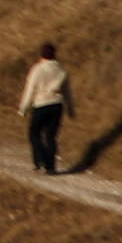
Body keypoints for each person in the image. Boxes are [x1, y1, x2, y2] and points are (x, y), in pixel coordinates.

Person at [20, 42, 74, 173]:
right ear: (54, 55)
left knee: (34, 133)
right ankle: (51, 167)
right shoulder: (61, 70)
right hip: (57, 105)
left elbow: (30, 89)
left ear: (41, 54)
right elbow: (67, 92)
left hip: (41, 104)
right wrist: (71, 109)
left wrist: (24, 108)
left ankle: (40, 160)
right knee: (51, 136)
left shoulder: (37, 69)